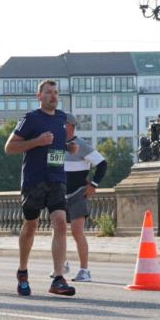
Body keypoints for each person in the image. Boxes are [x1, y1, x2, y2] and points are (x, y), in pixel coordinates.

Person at [3, 80, 75, 297]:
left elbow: (56, 146)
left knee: (61, 224)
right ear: (39, 96)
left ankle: (58, 278)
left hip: (56, 179)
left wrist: (68, 147)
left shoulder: (63, 119)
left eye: (56, 93)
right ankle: (23, 271)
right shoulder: (31, 119)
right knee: (31, 225)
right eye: (48, 93)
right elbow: (9, 148)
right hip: (34, 181)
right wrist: (37, 141)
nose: (53, 96)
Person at [62, 113, 107, 282]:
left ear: (71, 126)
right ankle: (61, 265)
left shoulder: (82, 145)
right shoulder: (56, 146)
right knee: (57, 231)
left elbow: (102, 164)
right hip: (59, 194)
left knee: (76, 231)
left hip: (77, 194)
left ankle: (84, 270)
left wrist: (93, 185)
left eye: (62, 125)